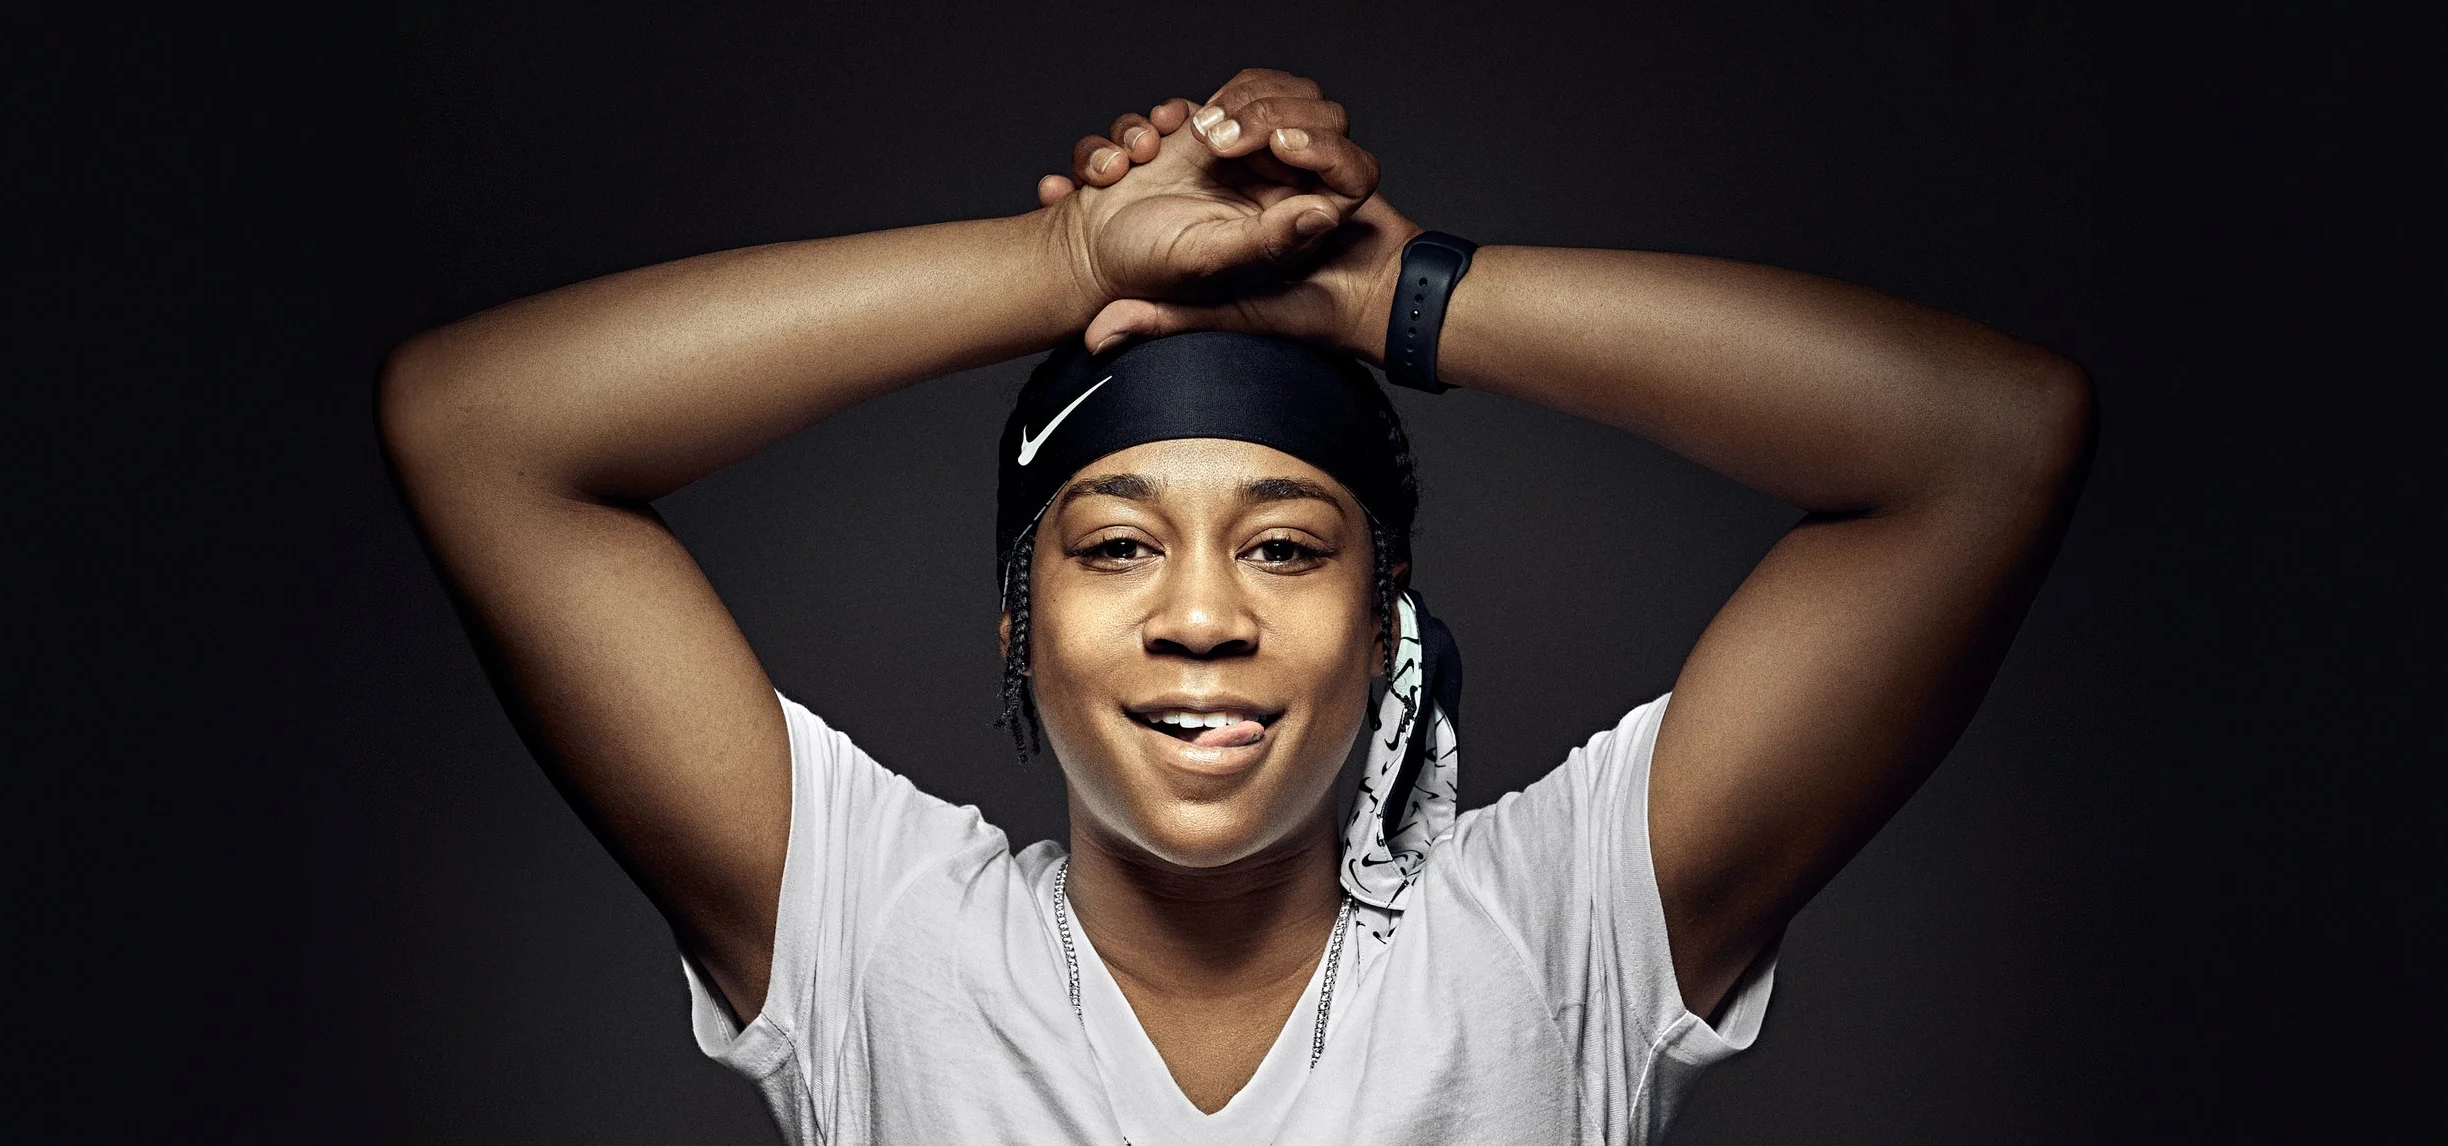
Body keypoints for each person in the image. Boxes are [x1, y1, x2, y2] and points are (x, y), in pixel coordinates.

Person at [377, 68, 2092, 1145]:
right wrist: (1066, 267)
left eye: (1284, 544)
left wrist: (1390, 298)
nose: (1202, 615)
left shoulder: (1559, 932)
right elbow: (482, 425)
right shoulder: (879, 942)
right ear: (1013, 623)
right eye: (1116, 543)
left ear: (1387, 615)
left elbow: (1985, 439)